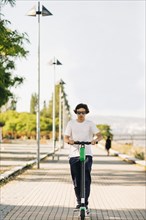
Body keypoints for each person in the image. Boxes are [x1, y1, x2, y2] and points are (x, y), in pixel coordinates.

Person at [64, 103, 102, 210]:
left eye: (83, 112)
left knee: (86, 179)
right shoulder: (71, 123)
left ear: (86, 113)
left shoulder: (90, 124)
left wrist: (95, 140)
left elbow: (100, 135)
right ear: (76, 112)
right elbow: (66, 138)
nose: (81, 114)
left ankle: (84, 202)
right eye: (79, 112)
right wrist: (69, 141)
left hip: (87, 153)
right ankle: (78, 201)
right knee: (76, 180)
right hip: (74, 154)